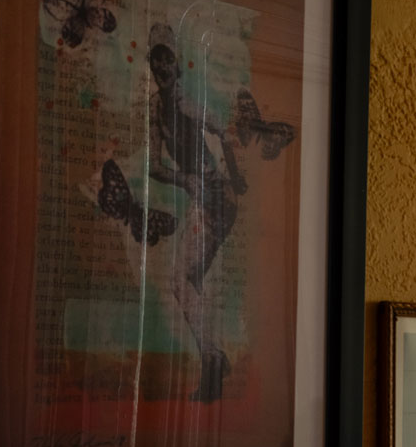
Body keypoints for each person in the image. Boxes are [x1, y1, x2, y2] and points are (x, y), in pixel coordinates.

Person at [96, 21, 293, 403]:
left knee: (180, 280)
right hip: (202, 192)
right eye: (156, 60)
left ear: (178, 64)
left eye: (167, 59)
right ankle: (215, 363)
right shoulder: (157, 108)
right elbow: (154, 167)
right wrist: (184, 179)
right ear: (151, 64)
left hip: (216, 196)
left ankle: (214, 358)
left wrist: (233, 177)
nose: (162, 67)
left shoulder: (187, 104)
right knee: (190, 284)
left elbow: (222, 132)